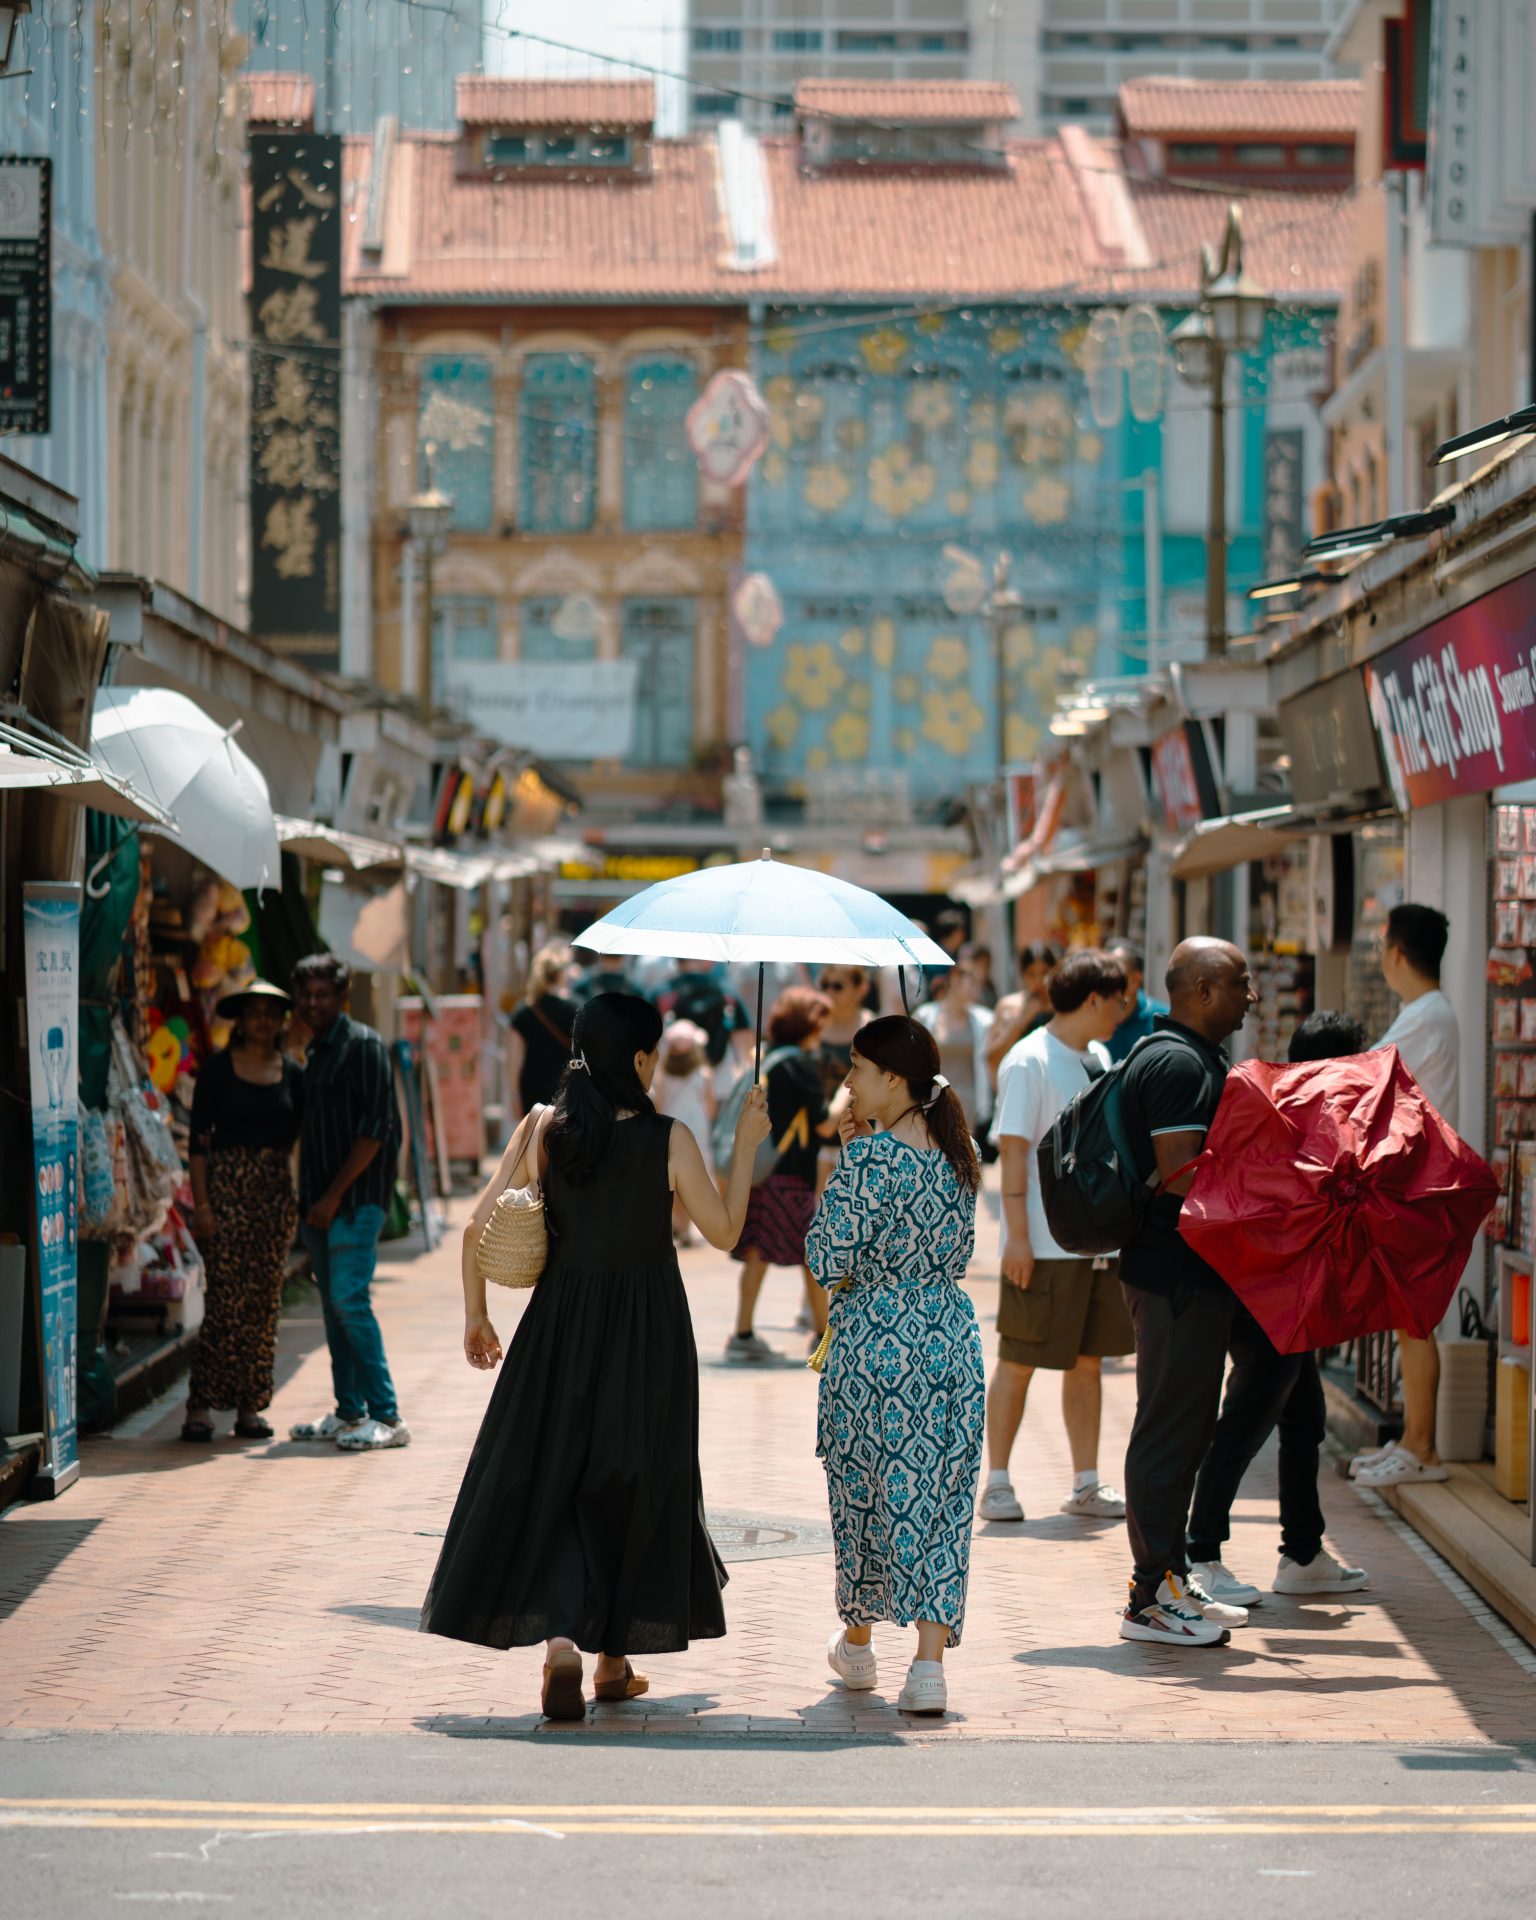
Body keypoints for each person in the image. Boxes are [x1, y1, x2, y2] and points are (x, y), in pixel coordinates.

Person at [421, 993, 772, 1720]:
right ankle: (614, 1659)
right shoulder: (667, 1137)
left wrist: (478, 1316)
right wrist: (744, 1144)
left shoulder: (545, 1128)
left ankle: (562, 1648)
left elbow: (473, 1232)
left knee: (555, 1473)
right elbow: (726, 1232)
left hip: (559, 1326)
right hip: (648, 1332)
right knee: (634, 1479)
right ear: (643, 1060)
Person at [807, 1015, 985, 1717]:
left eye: (857, 1069)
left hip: (875, 1343)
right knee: (941, 1497)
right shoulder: (957, 1150)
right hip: (946, 1335)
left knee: (866, 1492)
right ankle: (928, 1667)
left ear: (892, 1077)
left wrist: (849, 1170)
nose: (848, 1082)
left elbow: (827, 1259)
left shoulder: (869, 1161)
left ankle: (858, 1646)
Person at [1186, 1008, 1372, 1605]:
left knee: (1303, 1418)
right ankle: (1201, 1554)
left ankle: (1302, 1552)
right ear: (1338, 1064)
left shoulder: (1275, 1102)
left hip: (1269, 1289)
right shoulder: (1315, 1116)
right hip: (1274, 1295)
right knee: (1245, 1422)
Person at [1116, 937, 1257, 1647]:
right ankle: (1150, 1596)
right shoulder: (1175, 1062)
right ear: (1201, 990)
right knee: (1168, 1428)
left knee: (1187, 1425)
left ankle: (1170, 1576)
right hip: (1175, 1275)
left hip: (1191, 1276)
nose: (1251, 994)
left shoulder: (1187, 1056)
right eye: (1239, 982)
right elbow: (1181, 1177)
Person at [980, 948, 1133, 1524]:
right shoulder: (1029, 1061)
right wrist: (1016, 1237)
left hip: (1096, 1242)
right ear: (1094, 999)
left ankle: (1086, 1482)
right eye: (1118, 1000)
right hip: (1043, 1244)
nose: (1124, 1010)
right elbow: (1013, 1152)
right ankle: (997, 1482)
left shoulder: (1098, 1055)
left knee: (1088, 1362)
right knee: (1018, 1360)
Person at [1352, 904, 1460, 1488]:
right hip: (1419, 1186)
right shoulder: (1430, 1014)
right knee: (1408, 1318)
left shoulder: (1425, 1016)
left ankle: (1421, 1449)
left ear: (1396, 952)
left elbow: (1368, 1077)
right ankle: (1414, 1443)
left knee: (1414, 1320)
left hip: (1422, 1188)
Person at [287, 954, 409, 1453]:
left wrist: (335, 1195)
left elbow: (377, 1128)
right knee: (335, 1309)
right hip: (319, 1202)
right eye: (306, 995)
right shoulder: (316, 1050)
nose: (313, 1004)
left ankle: (387, 1415)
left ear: (342, 997)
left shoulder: (363, 1046)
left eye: (323, 995)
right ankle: (349, 1411)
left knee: (349, 1303)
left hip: (354, 1201)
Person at [182, 981, 303, 1443]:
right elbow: (197, 1144)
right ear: (240, 1019)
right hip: (226, 1189)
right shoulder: (216, 1071)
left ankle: (250, 1405)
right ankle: (200, 1404)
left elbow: (293, 1138)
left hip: (273, 1194)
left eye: (271, 1013)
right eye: (254, 1012)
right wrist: (203, 1205)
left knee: (263, 1302)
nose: (263, 1021)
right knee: (224, 1301)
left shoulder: (293, 1075)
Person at [727, 986, 840, 1364]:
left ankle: (744, 1331)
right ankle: (823, 1336)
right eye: (820, 1021)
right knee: (809, 1252)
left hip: (765, 1168)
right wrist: (849, 1089)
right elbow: (825, 1126)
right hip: (790, 1173)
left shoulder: (772, 1058)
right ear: (806, 1023)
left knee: (761, 1250)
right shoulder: (801, 1065)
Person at [915, 952, 994, 1141]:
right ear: (955, 980)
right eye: (972, 982)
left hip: (967, 1100)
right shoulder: (925, 1016)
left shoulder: (983, 1020)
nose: (976, 989)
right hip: (932, 1098)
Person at [652, 1019, 717, 1245]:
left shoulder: (661, 1075)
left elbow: (658, 1103)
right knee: (692, 1180)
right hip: (697, 1130)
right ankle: (686, 1227)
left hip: (670, 1128)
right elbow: (711, 1108)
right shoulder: (704, 1073)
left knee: (672, 1179)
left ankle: (676, 1224)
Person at [657, 959, 751, 1095]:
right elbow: (744, 1046)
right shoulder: (727, 992)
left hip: (673, 1083)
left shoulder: (662, 993)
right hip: (720, 1081)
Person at [506, 944, 575, 1122]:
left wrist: (515, 1097)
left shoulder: (523, 1013)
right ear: (560, 975)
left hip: (532, 1090)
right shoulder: (575, 1010)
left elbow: (514, 1062)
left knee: (534, 1145)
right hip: (565, 1089)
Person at [985, 941, 1060, 1084]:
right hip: (1019, 1082)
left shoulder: (1062, 1007)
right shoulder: (1009, 1006)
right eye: (1031, 974)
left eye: (1045, 972)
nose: (1039, 980)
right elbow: (992, 1058)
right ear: (1022, 975)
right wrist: (1021, 1020)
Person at [1105, 940, 1168, 1064]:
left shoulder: (1165, 1019)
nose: (1106, 978)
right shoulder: (1093, 1018)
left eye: (1115, 972)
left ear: (1136, 979)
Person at [965, 942, 998, 1010]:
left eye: (987, 964)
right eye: (982, 963)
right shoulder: (967, 984)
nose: (985, 967)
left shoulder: (989, 985)